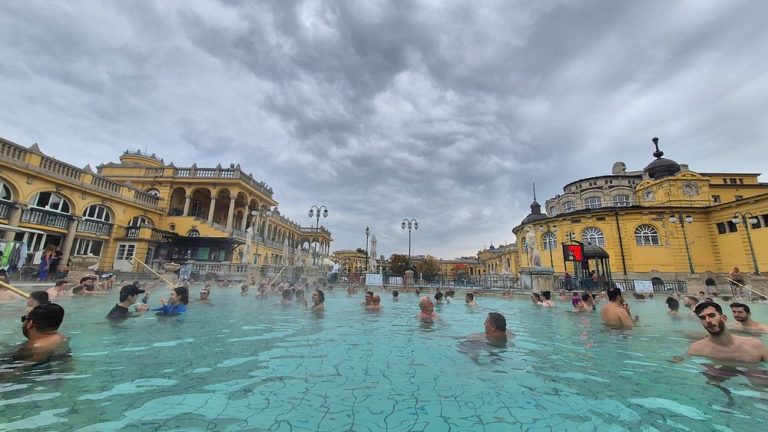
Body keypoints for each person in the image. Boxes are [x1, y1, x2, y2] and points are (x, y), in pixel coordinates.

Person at [687, 301, 767, 363]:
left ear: (724, 318)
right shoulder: (696, 348)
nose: (708, 321)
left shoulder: (754, 345)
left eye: (712, 315)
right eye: (702, 318)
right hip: (717, 374)